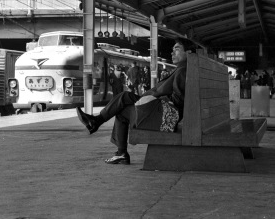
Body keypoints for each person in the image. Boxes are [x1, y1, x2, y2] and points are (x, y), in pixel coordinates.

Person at [75, 37, 197, 165]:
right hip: (165, 113)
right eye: (172, 50)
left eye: (177, 49)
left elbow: (162, 92)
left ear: (188, 53)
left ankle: (106, 133)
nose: (172, 53)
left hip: (166, 118)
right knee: (124, 100)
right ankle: (101, 128)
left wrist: (147, 97)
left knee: (123, 102)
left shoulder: (183, 70)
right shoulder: (184, 69)